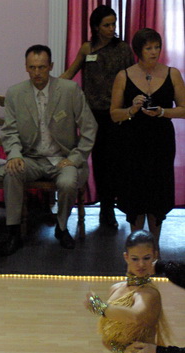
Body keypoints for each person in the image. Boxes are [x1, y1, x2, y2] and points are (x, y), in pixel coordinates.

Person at [0, 45, 97, 256]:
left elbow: (89, 127)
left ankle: (61, 227)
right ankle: (13, 232)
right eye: (32, 67)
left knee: (68, 182)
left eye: (42, 67)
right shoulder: (15, 93)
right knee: (11, 171)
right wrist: (14, 154)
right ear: (26, 67)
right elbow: (9, 131)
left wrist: (76, 157)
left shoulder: (69, 90)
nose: (37, 72)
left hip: (63, 157)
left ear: (51, 66)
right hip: (31, 157)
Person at [60, 5, 134, 230]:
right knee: (100, 162)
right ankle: (105, 208)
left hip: (117, 114)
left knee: (115, 162)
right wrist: (49, 86)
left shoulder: (122, 49)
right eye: (106, 25)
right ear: (95, 27)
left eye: (113, 24)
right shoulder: (87, 48)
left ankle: (114, 205)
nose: (111, 28)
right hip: (92, 115)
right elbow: (70, 73)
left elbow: (132, 78)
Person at [110, 28, 185, 244]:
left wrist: (162, 112)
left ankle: (155, 249)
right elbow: (114, 114)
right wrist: (132, 109)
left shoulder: (172, 73)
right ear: (138, 50)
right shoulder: (124, 75)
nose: (154, 52)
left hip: (161, 142)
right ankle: (136, 248)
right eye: (149, 48)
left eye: (157, 47)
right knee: (135, 195)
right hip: (132, 143)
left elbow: (183, 109)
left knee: (157, 195)